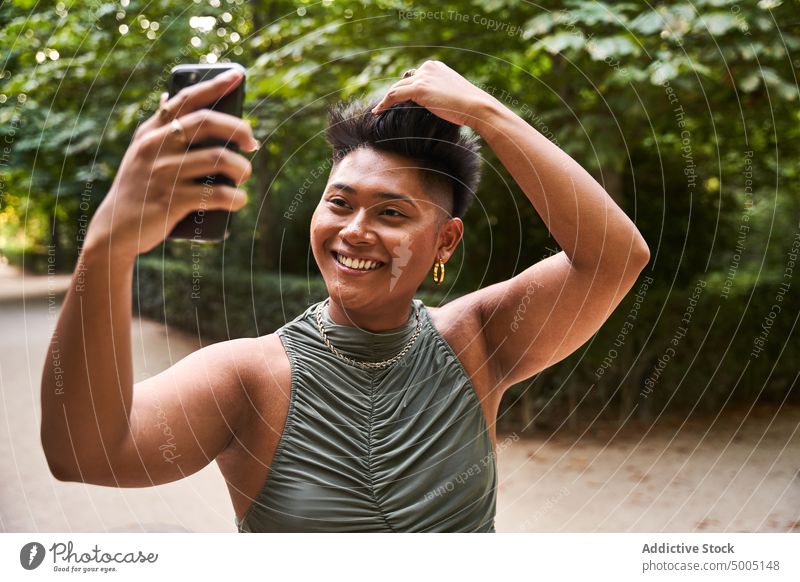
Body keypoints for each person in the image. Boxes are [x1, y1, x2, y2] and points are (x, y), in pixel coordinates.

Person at [40, 61, 650, 532]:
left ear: (446, 241)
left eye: (390, 212)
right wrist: (107, 250)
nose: (355, 229)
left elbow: (616, 258)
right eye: (339, 202)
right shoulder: (249, 378)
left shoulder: (478, 339)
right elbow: (85, 454)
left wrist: (488, 113)